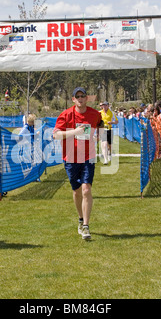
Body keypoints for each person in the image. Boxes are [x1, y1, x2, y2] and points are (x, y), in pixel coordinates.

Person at [53, 87, 102, 240]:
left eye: (83, 96)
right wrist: (74, 132)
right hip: (71, 158)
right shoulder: (66, 115)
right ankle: (80, 219)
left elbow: (100, 125)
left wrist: (99, 135)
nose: (80, 98)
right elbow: (56, 135)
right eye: (77, 96)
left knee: (86, 189)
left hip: (89, 156)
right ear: (73, 99)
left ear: (87, 98)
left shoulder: (95, 114)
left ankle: (86, 226)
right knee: (77, 191)